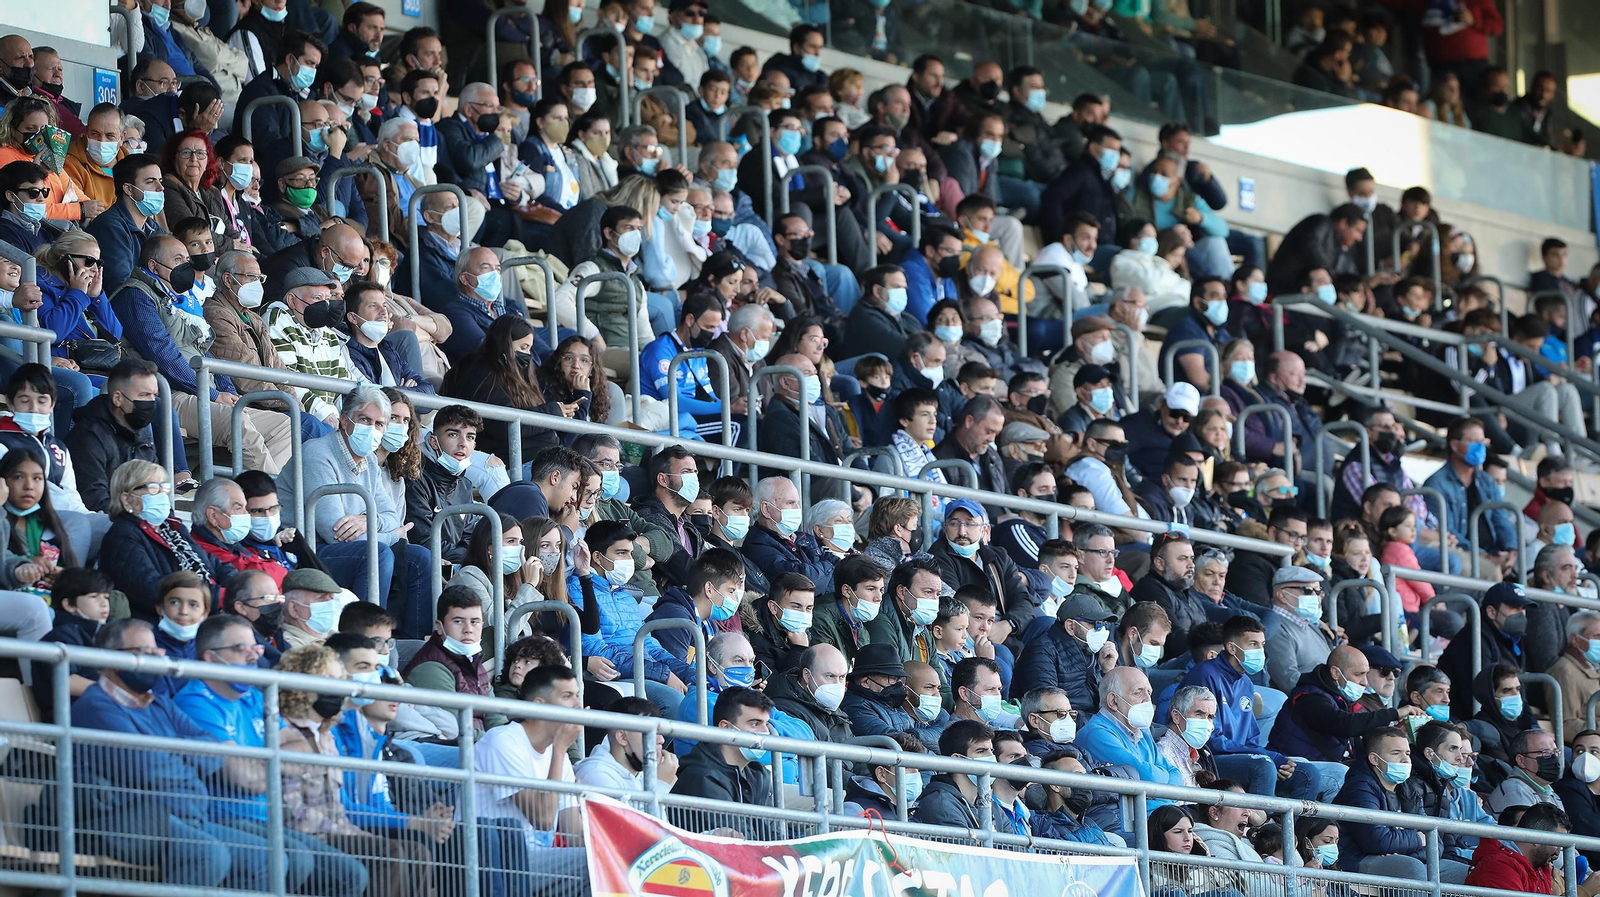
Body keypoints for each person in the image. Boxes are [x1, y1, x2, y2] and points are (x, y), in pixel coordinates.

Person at [68, 619, 304, 892]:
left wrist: (167, 747)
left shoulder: (160, 703)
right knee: (209, 856)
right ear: (111, 659)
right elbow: (148, 767)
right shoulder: (97, 706)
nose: (156, 657)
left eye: (156, 651)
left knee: (268, 859)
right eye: (144, 651)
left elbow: (211, 751)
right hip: (125, 821)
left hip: (182, 816)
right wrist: (184, 752)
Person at [285, 385, 432, 629]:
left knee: (420, 557)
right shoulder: (317, 454)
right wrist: (392, 535)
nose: (372, 429)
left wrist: (367, 518)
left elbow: (391, 515)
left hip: (352, 545)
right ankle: (365, 637)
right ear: (344, 421)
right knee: (378, 552)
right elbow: (336, 535)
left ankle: (409, 645)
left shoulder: (371, 461)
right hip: (307, 550)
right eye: (364, 419)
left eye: (379, 424)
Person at [1182, 614, 1321, 800]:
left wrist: (1268, 756)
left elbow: (1251, 740)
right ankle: (1261, 827)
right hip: (1209, 759)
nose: (1260, 652)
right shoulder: (1205, 674)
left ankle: (1288, 829)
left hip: (1240, 757)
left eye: (1262, 645)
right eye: (1253, 644)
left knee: (1308, 773)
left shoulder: (1246, 683)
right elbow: (1211, 741)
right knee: (1263, 766)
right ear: (1232, 647)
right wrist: (1266, 757)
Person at [471, 665, 590, 868]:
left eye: (577, 695)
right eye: (567, 696)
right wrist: (561, 750)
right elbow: (542, 820)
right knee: (591, 866)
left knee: (606, 864)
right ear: (539, 705)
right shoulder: (504, 741)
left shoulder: (555, 751)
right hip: (499, 860)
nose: (578, 705)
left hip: (537, 859)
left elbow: (573, 833)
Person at [1335, 726, 1470, 881]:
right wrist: (1419, 839)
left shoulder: (1407, 788)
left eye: (1407, 753)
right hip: (1358, 860)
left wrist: (1405, 852)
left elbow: (1435, 843)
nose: (1405, 759)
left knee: (1466, 873)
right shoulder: (1360, 787)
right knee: (1411, 869)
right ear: (1374, 759)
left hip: (1402, 858)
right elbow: (1378, 841)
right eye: (1396, 753)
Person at [98, 459, 220, 621]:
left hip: (205, 608)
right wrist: (219, 596)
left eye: (165, 488)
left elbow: (210, 561)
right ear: (126, 499)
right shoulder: (122, 537)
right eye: (154, 489)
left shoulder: (171, 527)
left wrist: (238, 585)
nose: (162, 495)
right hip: (171, 622)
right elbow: (152, 589)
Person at [669, 685, 779, 837]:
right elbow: (736, 845)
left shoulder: (757, 773)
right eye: (754, 724)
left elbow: (773, 836)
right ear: (726, 728)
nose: (765, 733)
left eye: (766, 724)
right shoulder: (703, 777)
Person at [402, 585, 506, 732]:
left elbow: (495, 716)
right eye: (458, 621)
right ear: (439, 626)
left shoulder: (472, 661)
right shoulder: (430, 668)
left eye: (475, 622)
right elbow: (457, 731)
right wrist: (497, 745)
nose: (468, 629)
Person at [1076, 667, 1183, 804]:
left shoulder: (1142, 731)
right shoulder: (1096, 734)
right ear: (1113, 701)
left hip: (1158, 813)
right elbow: (1147, 778)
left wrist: (1163, 792)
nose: (1147, 700)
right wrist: (1166, 791)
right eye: (1138, 693)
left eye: (1149, 693)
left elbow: (1175, 773)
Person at [1439, 582, 1534, 721]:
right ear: (1492, 612)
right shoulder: (1473, 639)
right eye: (1514, 608)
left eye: (1523, 608)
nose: (1521, 614)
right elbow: (1479, 696)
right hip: (1465, 723)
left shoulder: (1512, 639)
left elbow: (1518, 695)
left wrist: (1533, 726)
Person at [1408, 720, 1497, 865]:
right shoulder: (1413, 787)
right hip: (1426, 865)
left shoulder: (1452, 791)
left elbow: (1495, 833)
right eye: (1453, 749)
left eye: (1471, 756)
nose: (1462, 759)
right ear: (1430, 753)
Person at [1013, 593, 1117, 714]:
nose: (1102, 630)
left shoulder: (1093, 652)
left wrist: (1107, 672)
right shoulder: (1042, 651)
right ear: (1070, 626)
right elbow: (1048, 712)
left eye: (1104, 624)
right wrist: (1095, 725)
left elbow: (1108, 706)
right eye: (1096, 625)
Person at [573, 696, 679, 793]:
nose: (661, 740)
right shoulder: (596, 775)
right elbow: (630, 814)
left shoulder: (642, 775)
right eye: (650, 732)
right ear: (622, 737)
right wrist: (660, 784)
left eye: (659, 733)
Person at [1464, 803, 1568, 894]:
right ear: (1537, 839)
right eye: (1556, 844)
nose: (1557, 853)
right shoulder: (1499, 866)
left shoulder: (1540, 867)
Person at [1262, 566, 1337, 692]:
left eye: (1318, 591)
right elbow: (1289, 681)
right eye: (1308, 591)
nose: (1316, 597)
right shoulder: (1276, 628)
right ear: (1282, 595)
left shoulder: (1310, 626)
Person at [913, 719, 997, 828]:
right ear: (957, 760)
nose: (991, 757)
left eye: (992, 750)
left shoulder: (990, 803)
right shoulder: (940, 804)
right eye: (981, 751)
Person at [766, 643, 852, 742]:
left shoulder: (836, 712)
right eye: (830, 676)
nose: (837, 684)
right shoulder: (785, 709)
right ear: (807, 675)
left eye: (842, 677)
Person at [838, 642, 918, 739]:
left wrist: (915, 735)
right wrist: (915, 738)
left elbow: (937, 732)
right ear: (865, 682)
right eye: (891, 678)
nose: (898, 684)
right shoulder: (854, 707)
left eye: (899, 678)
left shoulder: (891, 703)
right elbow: (895, 742)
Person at [1487, 728, 1567, 815]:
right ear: (1521, 760)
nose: (1553, 758)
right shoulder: (1516, 791)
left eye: (1555, 752)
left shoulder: (1552, 795)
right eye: (1545, 752)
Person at [1156, 684, 1220, 789]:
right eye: (1199, 714)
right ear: (1176, 716)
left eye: (1210, 717)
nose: (1206, 722)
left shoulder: (1203, 754)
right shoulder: (1164, 752)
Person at [1550, 611, 1600, 744]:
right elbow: (1566, 726)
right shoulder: (1564, 671)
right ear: (1575, 639)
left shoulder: (1594, 666)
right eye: (1597, 636)